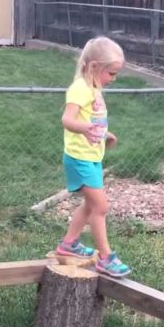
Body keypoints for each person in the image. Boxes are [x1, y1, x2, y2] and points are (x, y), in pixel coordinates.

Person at [54, 36, 131, 277]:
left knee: (90, 205)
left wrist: (104, 133)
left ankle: (68, 244)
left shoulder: (93, 88)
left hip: (92, 156)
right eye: (112, 73)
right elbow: (67, 120)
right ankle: (106, 257)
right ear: (95, 66)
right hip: (79, 158)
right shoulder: (79, 88)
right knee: (100, 206)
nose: (113, 79)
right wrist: (85, 129)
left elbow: (92, 120)